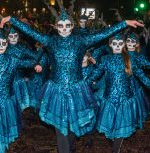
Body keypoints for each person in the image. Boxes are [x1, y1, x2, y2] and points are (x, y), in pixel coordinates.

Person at [0, 9, 144, 153]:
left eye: (67, 25)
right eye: (61, 25)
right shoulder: (50, 41)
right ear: (56, 27)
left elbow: (104, 34)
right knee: (60, 126)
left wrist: (124, 23)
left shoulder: (81, 41)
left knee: (73, 126)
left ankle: (69, 146)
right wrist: (12, 19)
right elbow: (31, 32)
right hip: (56, 89)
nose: (64, 28)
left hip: (77, 89)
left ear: (72, 26)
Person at [87, 33, 150, 153]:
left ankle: (116, 149)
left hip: (125, 100)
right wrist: (84, 84)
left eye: (120, 44)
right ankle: (113, 142)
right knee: (111, 127)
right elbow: (95, 74)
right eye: (114, 44)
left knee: (121, 126)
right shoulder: (105, 59)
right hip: (109, 98)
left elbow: (141, 76)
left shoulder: (130, 59)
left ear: (124, 45)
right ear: (110, 44)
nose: (117, 46)